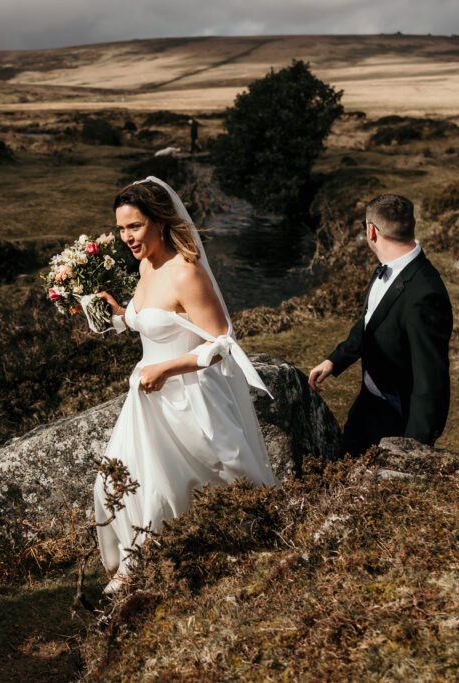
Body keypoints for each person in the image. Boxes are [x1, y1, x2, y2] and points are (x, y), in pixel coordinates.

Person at [94, 176, 275, 596]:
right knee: (111, 485)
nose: (127, 237)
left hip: (188, 398)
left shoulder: (186, 273)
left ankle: (140, 580)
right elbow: (155, 323)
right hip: (146, 402)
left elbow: (222, 343)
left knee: (183, 486)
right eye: (121, 229)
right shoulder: (145, 266)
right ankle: (131, 572)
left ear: (159, 222)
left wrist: (168, 370)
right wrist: (121, 315)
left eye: (134, 227)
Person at [308, 194, 453, 457]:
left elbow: (431, 379)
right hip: (369, 403)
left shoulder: (425, 294)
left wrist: (414, 447)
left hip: (398, 418)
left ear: (371, 231)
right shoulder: (387, 269)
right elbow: (369, 323)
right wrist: (334, 360)